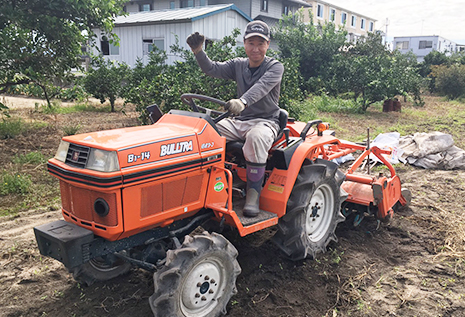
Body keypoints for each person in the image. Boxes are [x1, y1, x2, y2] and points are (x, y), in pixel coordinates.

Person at [186, 20, 284, 217]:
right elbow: (212, 69)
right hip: (239, 120)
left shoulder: (275, 67)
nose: (255, 48)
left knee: (256, 138)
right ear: (244, 43)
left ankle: (253, 195)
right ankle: (207, 185)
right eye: (251, 43)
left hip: (266, 122)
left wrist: (243, 101)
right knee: (207, 133)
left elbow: (262, 87)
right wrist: (199, 52)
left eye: (260, 43)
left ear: (267, 44)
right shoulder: (238, 65)